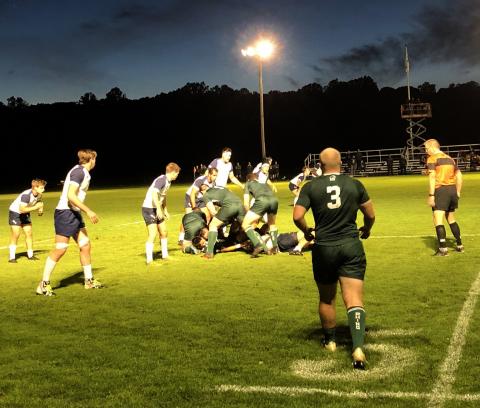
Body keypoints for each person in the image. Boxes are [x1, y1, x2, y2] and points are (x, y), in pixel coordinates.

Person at [293, 147, 375, 370]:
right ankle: (357, 346)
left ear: (320, 165)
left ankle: (330, 341)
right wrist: (366, 229)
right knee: (354, 298)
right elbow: (370, 214)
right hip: (350, 245)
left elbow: (297, 216)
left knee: (327, 298)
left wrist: (308, 231)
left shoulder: (311, 186)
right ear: (341, 163)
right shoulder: (354, 184)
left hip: (324, 248)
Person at [36, 149, 101, 296]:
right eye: (95, 159)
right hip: (66, 213)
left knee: (85, 245)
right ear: (91, 159)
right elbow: (71, 195)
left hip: (74, 213)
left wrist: (79, 210)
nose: (95, 161)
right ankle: (43, 284)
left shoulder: (81, 172)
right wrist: (88, 211)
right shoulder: (79, 172)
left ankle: (89, 281)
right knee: (60, 249)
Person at [425, 139, 463, 256]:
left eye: (426, 148)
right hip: (452, 190)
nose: (426, 151)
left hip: (441, 190)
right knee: (451, 218)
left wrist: (431, 195)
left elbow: (432, 178)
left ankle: (443, 249)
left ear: (432, 147)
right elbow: (459, 175)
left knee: (438, 219)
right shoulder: (450, 158)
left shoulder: (432, 158)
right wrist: (457, 191)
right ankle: (459, 245)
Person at [142, 162, 181, 264]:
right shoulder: (162, 179)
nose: (177, 175)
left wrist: (165, 210)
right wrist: (159, 209)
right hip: (149, 208)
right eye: (177, 173)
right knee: (153, 234)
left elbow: (163, 196)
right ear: (173, 172)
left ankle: (165, 255)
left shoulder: (168, 182)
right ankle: (149, 261)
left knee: (164, 232)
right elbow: (154, 193)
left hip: (157, 208)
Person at [8, 179, 47, 263]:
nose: (43, 190)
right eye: (41, 188)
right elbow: (22, 210)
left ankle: (30, 255)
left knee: (29, 233)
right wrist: (36, 207)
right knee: (16, 234)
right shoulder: (26, 195)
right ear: (35, 187)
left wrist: (40, 208)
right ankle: (12, 257)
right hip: (16, 212)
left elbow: (39, 202)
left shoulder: (39, 194)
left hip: (25, 212)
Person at [201, 186, 246, 259]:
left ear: (202, 191)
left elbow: (212, 211)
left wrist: (221, 220)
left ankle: (209, 253)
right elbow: (230, 191)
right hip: (240, 204)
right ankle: (258, 244)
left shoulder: (206, 195)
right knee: (246, 226)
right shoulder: (220, 189)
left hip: (230, 207)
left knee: (213, 225)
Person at [242, 171, 279, 257]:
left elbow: (246, 202)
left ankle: (257, 245)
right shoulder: (264, 184)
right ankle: (275, 247)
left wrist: (248, 213)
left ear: (248, 179)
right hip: (274, 200)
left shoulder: (247, 183)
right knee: (272, 224)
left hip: (262, 201)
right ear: (257, 179)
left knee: (245, 224)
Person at [178, 169, 217, 244]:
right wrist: (194, 207)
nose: (215, 177)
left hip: (201, 199)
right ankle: (181, 237)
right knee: (188, 218)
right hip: (191, 197)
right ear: (209, 174)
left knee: (207, 216)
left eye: (216, 175)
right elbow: (192, 194)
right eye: (214, 175)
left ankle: (203, 235)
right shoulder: (201, 180)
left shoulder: (213, 183)